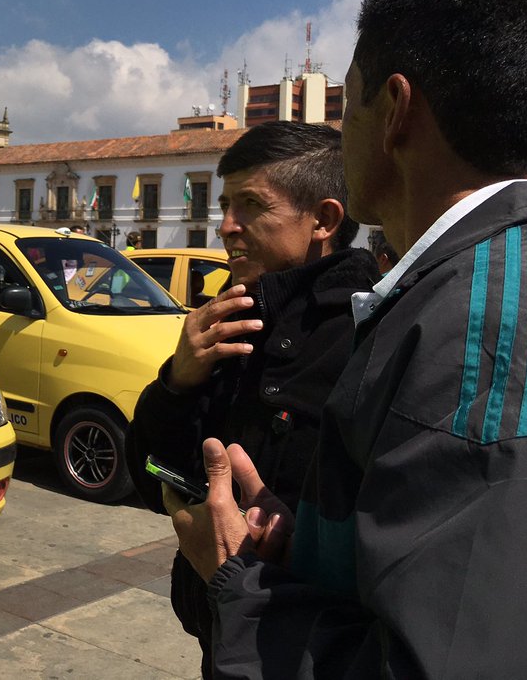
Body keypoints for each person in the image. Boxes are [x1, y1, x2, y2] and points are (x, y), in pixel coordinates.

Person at [172, 0, 527, 678]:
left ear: (396, 112)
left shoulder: (480, 328)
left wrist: (238, 580)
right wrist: (318, 541)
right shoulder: (457, 290)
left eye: (348, 104)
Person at [125, 121, 377, 678]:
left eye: (251, 206)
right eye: (223, 205)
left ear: (324, 220)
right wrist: (179, 380)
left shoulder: (368, 335)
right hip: (218, 625)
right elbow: (149, 477)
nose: (226, 227)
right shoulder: (229, 320)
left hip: (312, 650)